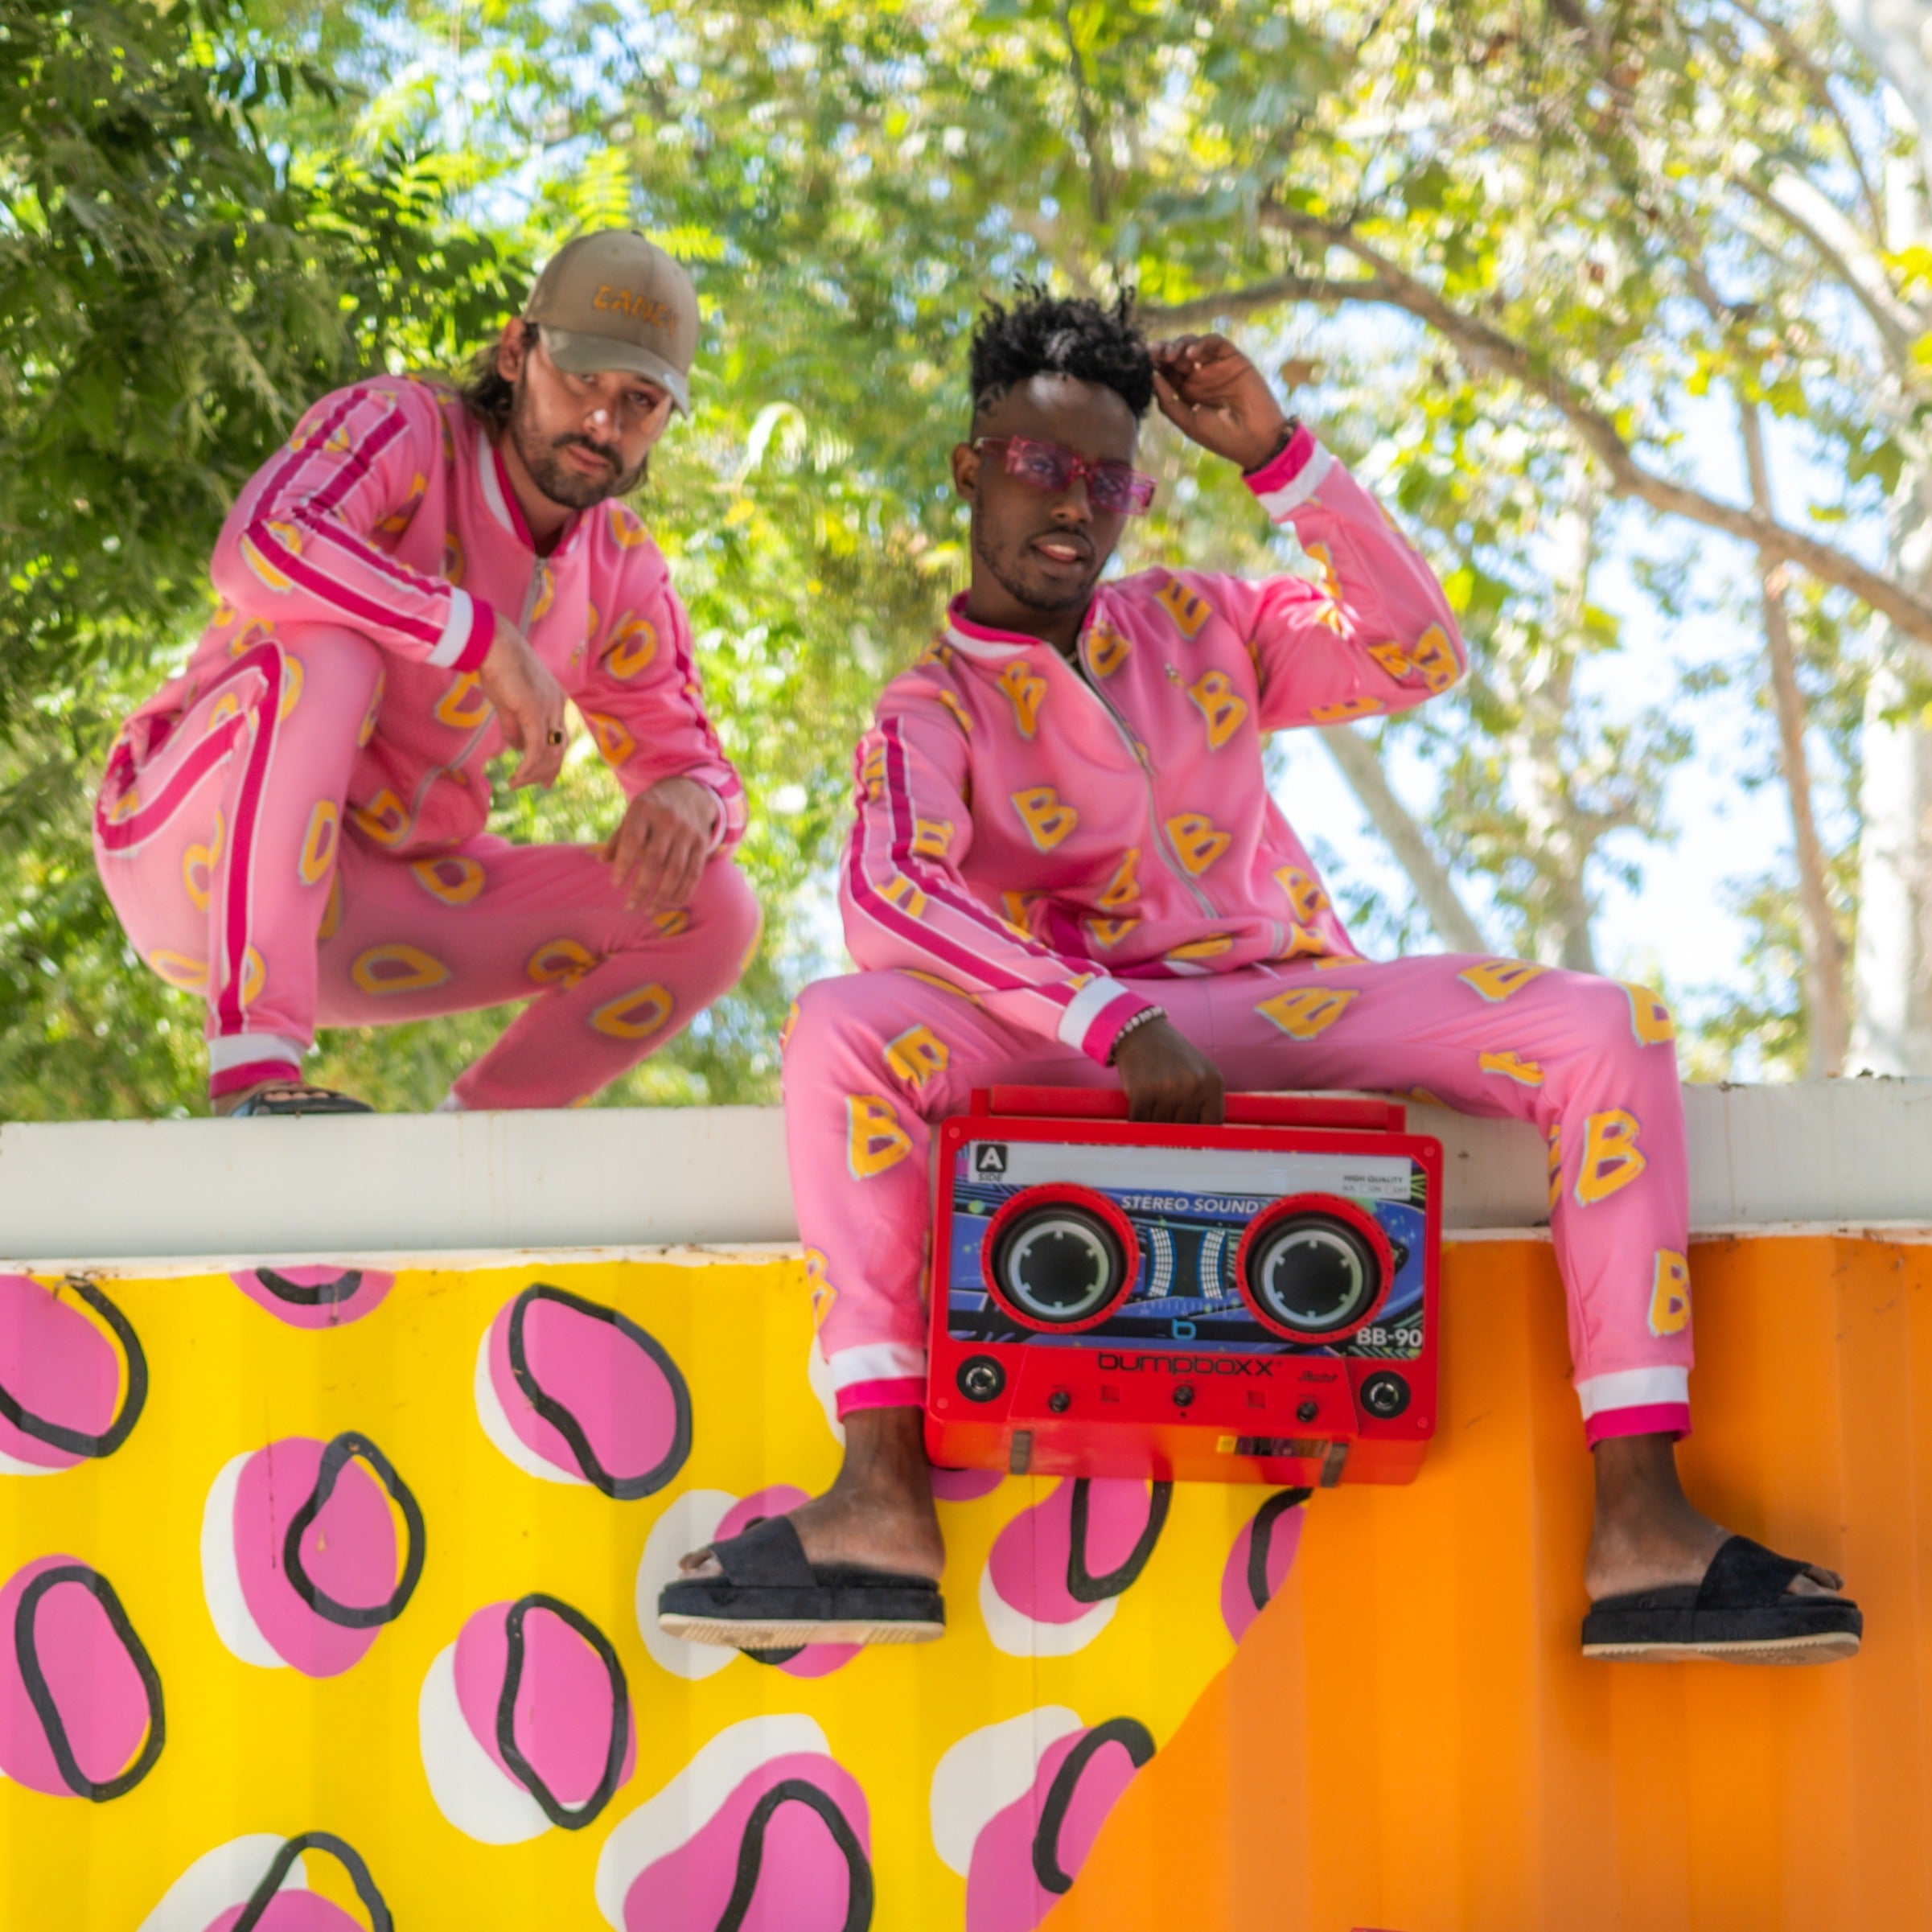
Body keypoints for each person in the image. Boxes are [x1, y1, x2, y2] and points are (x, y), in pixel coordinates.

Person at [659, 289, 1860, 1666]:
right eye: (1039, 463)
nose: (1073, 503)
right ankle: (877, 1497)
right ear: (970, 465)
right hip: (1086, 1045)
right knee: (838, 1023)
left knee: (1605, 1026)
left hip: (1291, 1004)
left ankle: (1642, 1525)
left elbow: (1415, 650)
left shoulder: (1200, 620)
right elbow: (889, 896)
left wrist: (1280, 456)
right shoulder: (929, 707)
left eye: (1108, 478)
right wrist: (1106, 1017)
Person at [93, 231, 758, 1116]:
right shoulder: (405, 427)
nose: (604, 422)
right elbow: (259, 547)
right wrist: (479, 637)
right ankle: (253, 1079)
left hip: (379, 912)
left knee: (715, 905)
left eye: (639, 400)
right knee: (328, 656)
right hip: (194, 856)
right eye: (582, 379)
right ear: (516, 353)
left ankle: (469, 1145)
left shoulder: (622, 570)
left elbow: (702, 770)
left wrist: (693, 800)